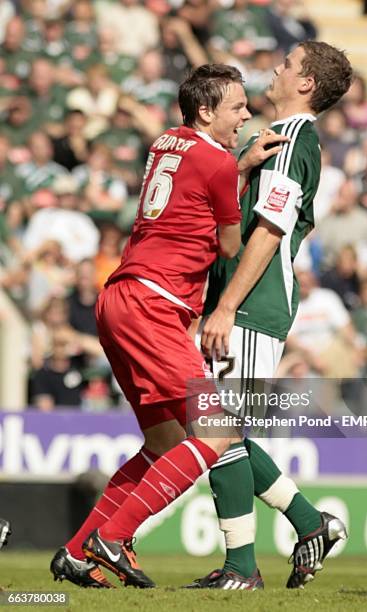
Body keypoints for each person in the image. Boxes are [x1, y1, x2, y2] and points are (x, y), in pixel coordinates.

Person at [50, 63, 256, 589]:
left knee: (165, 444)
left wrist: (233, 171)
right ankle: (112, 537)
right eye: (237, 106)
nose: (246, 115)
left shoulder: (167, 140)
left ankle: (77, 553)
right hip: (156, 304)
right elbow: (230, 246)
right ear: (206, 111)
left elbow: (192, 192)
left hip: (120, 295)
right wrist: (240, 177)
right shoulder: (216, 161)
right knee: (215, 433)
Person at [192, 41, 353, 590]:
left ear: (305, 83)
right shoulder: (281, 142)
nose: (277, 68)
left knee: (217, 431)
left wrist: (228, 305)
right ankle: (312, 524)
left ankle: (242, 568)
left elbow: (269, 230)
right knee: (218, 428)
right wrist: (239, 168)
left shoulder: (292, 142)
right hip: (249, 300)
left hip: (255, 304)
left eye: (287, 64)